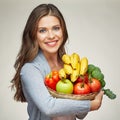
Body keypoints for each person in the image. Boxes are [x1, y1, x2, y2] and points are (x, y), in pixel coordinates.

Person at [11, 3, 104, 120]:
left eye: (56, 28)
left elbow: (80, 114)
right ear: (33, 35)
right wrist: (90, 105)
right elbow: (49, 107)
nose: (51, 36)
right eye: (42, 30)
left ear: (63, 31)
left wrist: (91, 92)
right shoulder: (30, 69)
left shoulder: (69, 66)